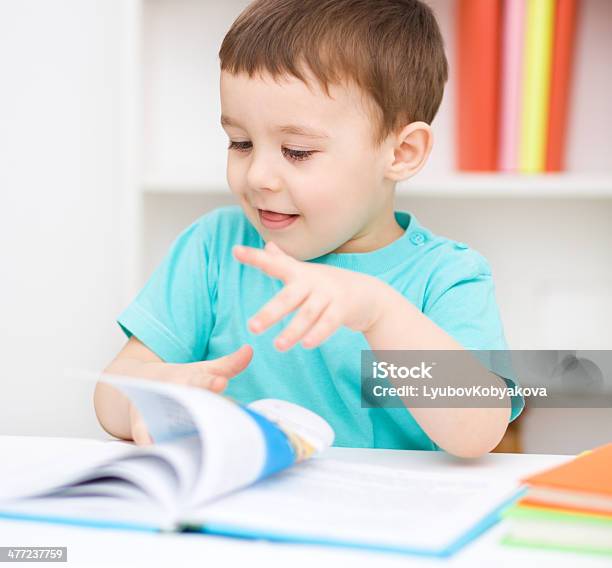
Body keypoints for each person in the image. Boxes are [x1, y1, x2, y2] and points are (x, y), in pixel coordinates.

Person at [94, 0, 523, 457]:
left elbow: (478, 431)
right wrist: (157, 390)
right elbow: (107, 397)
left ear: (401, 153)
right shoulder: (216, 247)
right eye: (240, 143)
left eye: (297, 151)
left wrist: (380, 314)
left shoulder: (447, 277)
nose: (258, 175)